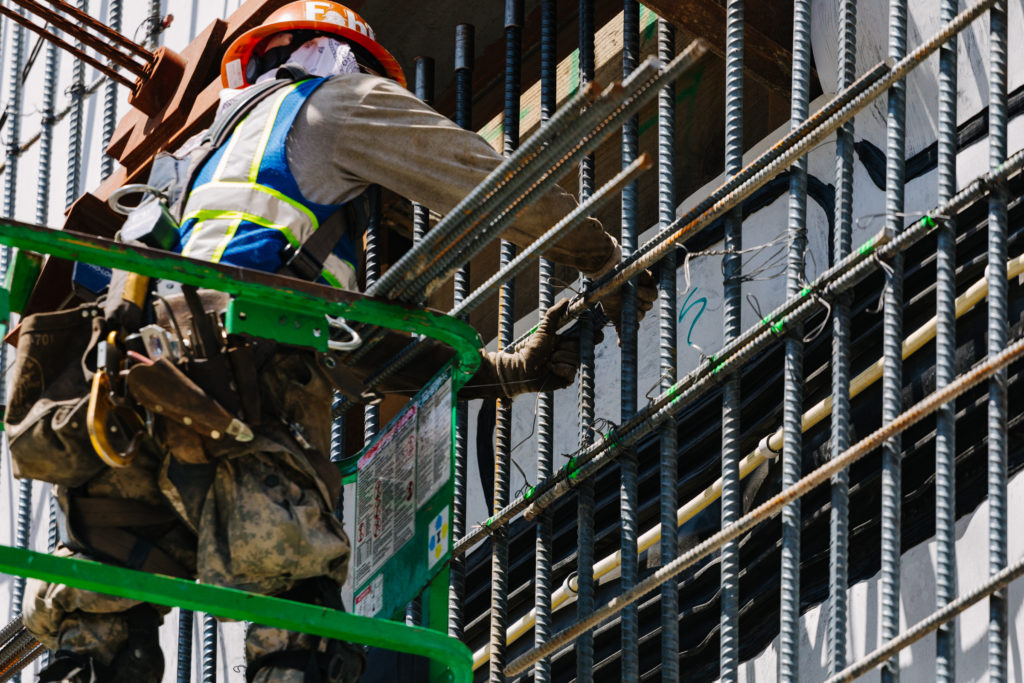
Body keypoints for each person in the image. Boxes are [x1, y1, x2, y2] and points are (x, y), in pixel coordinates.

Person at [14, 3, 657, 681]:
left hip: (119, 415)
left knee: (103, 637)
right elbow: (483, 184)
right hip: (233, 410)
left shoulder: (197, 169)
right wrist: (602, 257)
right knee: (303, 630)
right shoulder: (330, 105)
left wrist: (503, 372)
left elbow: (348, 344)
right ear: (334, 54)